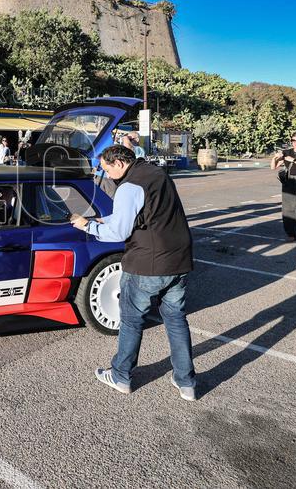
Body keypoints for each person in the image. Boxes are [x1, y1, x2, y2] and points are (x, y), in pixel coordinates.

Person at [71, 144, 197, 401]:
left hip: (147, 263)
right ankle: (186, 382)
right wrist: (106, 220)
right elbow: (149, 213)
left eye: (106, 170)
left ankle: (121, 376)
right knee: (175, 319)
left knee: (131, 320)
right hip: (179, 258)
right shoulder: (156, 174)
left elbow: (119, 233)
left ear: (118, 164)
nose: (105, 176)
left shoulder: (129, 186)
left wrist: (87, 227)